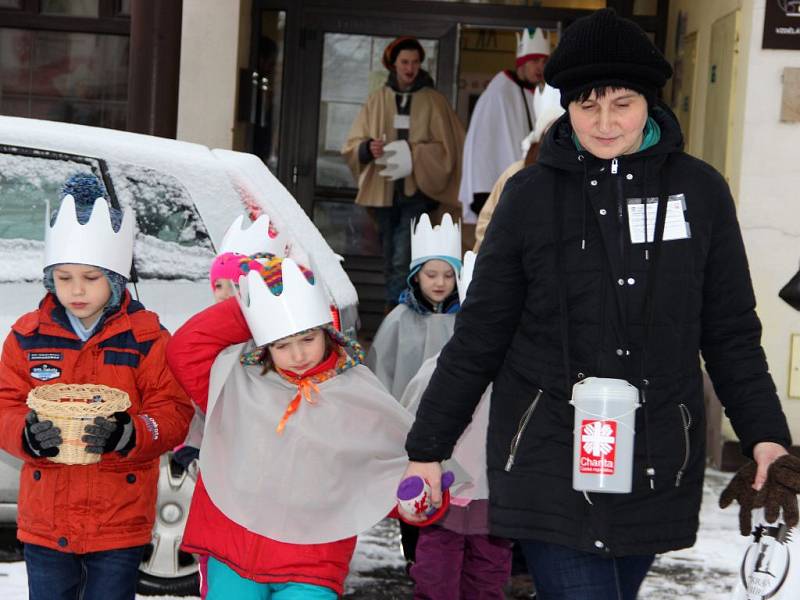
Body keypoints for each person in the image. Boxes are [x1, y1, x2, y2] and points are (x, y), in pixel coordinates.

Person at [399, 8, 793, 600]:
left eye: (622, 104)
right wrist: (426, 449)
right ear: (567, 106)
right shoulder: (529, 198)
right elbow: (481, 334)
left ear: (650, 103)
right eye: (587, 105)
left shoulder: (700, 192)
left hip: (656, 451)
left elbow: (731, 331)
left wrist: (766, 436)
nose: (605, 122)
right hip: (546, 450)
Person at [166, 256, 414, 599]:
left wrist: (416, 500)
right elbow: (185, 348)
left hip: (313, 559)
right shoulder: (235, 383)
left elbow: (382, 468)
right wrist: (255, 306)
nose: (298, 355)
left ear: (326, 330)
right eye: (282, 344)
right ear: (263, 342)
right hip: (232, 547)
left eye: (307, 338)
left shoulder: (355, 393)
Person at [0, 173, 194, 600]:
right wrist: (25, 434)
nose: (77, 290)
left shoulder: (146, 339)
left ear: (115, 278)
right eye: (65, 278)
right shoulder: (27, 337)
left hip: (118, 523)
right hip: (47, 523)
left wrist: (131, 432)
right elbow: (5, 404)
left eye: (91, 277)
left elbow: (174, 413)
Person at [400, 251, 512, 599]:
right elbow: (412, 414)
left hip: (493, 492)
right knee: (436, 571)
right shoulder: (440, 367)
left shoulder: (519, 372)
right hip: (444, 488)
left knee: (488, 573)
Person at [342, 36, 465, 310]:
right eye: (404, 62)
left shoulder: (434, 100)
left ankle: (399, 311)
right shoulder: (377, 100)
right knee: (390, 257)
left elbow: (451, 147)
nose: (410, 68)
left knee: (403, 257)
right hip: (384, 193)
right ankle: (396, 313)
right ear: (393, 64)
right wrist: (367, 148)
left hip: (418, 193)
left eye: (415, 62)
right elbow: (352, 145)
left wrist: (414, 153)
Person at [366, 213, 462, 402]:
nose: (440, 282)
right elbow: (381, 370)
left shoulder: (464, 318)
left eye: (449, 275)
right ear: (416, 276)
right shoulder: (398, 319)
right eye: (431, 275)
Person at [459, 28, 550, 223]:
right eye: (535, 61)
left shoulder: (535, 93)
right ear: (522, 63)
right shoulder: (500, 93)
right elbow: (484, 147)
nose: (540, 67)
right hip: (494, 189)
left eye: (544, 62)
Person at [474, 84, 564, 252]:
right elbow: (486, 225)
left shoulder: (589, 174)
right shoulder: (516, 173)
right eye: (554, 132)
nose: (560, 139)